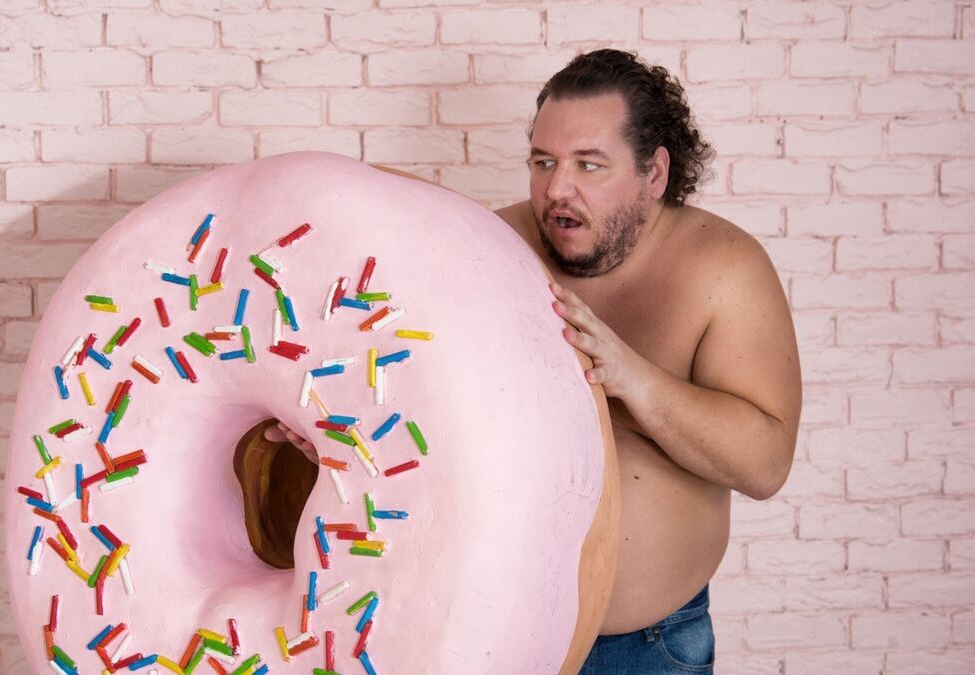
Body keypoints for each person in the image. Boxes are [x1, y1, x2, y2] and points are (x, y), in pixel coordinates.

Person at [266, 49, 802, 673]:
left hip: (643, 649)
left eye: (588, 165)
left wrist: (631, 379)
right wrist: (342, 439)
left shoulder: (724, 269)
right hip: (478, 639)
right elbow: (427, 418)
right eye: (543, 162)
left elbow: (765, 465)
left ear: (655, 173)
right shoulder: (491, 248)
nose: (556, 189)